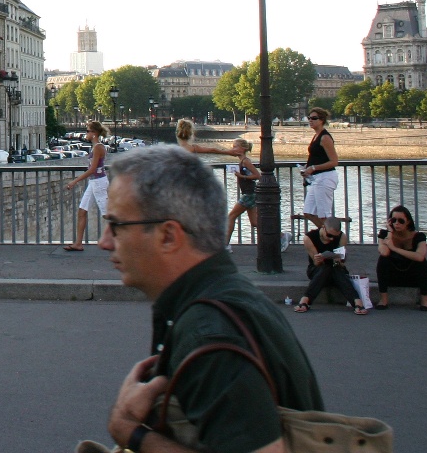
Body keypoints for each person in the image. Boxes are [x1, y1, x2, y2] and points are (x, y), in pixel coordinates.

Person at [97, 145, 323, 453]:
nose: (104, 242)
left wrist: (127, 430)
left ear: (168, 236)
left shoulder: (209, 332)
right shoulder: (226, 297)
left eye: (116, 225)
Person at [293, 216, 368, 315]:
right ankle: (357, 301)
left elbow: (341, 262)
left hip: (336, 269)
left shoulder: (342, 237)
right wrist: (320, 259)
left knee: (335, 269)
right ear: (323, 227)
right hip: (317, 270)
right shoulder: (309, 238)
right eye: (329, 235)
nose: (331, 238)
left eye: (334, 237)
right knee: (326, 268)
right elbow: (316, 263)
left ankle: (305, 300)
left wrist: (339, 259)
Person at [63, 120, 109, 251]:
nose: (86, 134)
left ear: (94, 133)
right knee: (82, 211)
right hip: (95, 182)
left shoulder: (98, 147)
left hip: (98, 182)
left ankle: (126, 239)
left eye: (88, 131)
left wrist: (74, 181)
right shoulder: (96, 147)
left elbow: (92, 169)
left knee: (107, 214)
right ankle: (78, 243)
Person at [376, 204, 427, 310]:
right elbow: (384, 252)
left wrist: (394, 248)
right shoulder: (385, 234)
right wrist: (390, 232)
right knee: (383, 260)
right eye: (393, 220)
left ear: (408, 221)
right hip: (393, 275)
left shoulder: (418, 236)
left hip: (412, 275)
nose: (397, 223)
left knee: (422, 263)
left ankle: (424, 300)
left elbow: (420, 256)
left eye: (401, 221)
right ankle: (383, 300)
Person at [297, 107, 340, 229]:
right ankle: (325, 234)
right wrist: (307, 168)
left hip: (325, 178)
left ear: (322, 120)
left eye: (314, 118)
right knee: (308, 212)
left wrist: (313, 168)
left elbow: (334, 161)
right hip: (316, 179)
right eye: (309, 118)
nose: (310, 120)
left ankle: (333, 237)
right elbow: (317, 157)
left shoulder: (325, 137)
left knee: (324, 215)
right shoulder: (316, 136)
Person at [223, 139, 260, 248]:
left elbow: (258, 175)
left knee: (231, 216)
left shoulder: (245, 161)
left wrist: (241, 176)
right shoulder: (243, 161)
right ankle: (281, 236)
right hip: (250, 193)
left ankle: (225, 245)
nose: (233, 149)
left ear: (243, 149)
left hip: (249, 194)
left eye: (235, 147)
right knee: (255, 222)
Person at [174, 119, 243, 157]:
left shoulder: (172, 149)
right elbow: (213, 150)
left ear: (177, 133)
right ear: (191, 134)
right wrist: (229, 152)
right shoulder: (193, 148)